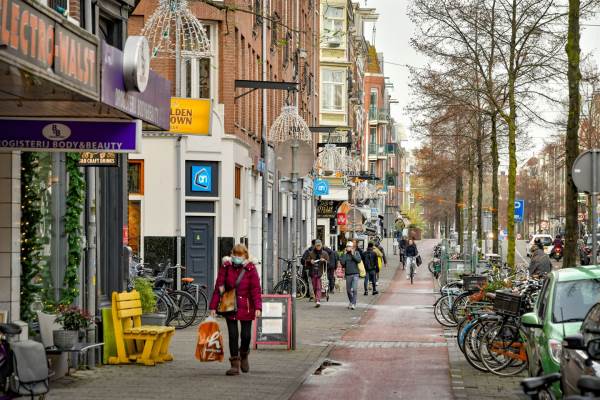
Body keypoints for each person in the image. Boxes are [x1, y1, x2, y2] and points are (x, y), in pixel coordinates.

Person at [209, 244, 262, 376]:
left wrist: (258, 307)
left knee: (246, 336)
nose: (236, 257)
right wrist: (213, 306)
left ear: (245, 256)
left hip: (246, 306)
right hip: (229, 305)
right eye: (235, 254)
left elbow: (256, 290)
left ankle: (244, 354)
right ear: (231, 254)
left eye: (239, 255)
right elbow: (219, 287)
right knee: (233, 335)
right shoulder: (226, 267)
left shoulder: (251, 269)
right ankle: (234, 365)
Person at [306, 240, 329, 307]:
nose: (318, 247)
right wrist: (310, 261)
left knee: (318, 286)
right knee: (314, 287)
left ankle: (318, 300)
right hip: (313, 272)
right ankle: (317, 298)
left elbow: (328, 262)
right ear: (315, 246)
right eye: (317, 245)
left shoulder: (324, 253)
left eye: (319, 245)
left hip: (320, 273)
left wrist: (324, 260)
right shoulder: (311, 253)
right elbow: (306, 262)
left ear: (321, 245)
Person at [339, 241, 361, 310]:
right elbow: (342, 263)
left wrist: (352, 254)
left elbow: (359, 260)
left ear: (352, 247)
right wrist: (344, 254)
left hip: (355, 274)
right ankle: (351, 301)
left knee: (354, 289)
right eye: (347, 246)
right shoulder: (344, 254)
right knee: (348, 291)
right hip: (348, 274)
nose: (348, 248)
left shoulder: (356, 253)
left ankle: (353, 304)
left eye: (349, 246)